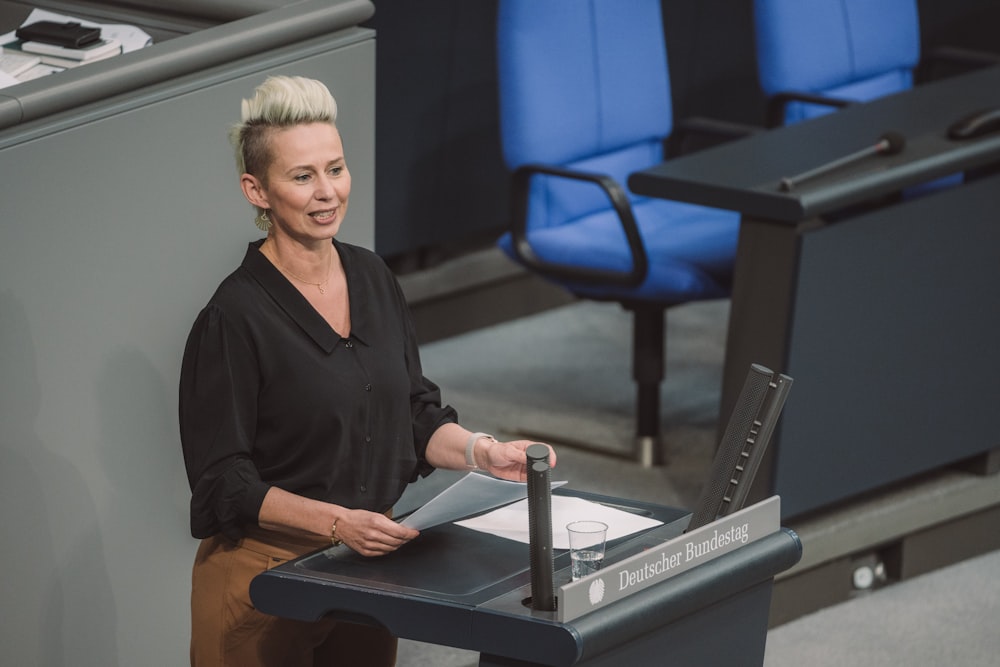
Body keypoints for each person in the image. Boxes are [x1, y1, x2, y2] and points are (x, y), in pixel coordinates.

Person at [178, 75, 556, 667]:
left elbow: (413, 414)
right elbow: (223, 481)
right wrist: (337, 523)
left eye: (336, 168)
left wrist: (485, 453)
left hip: (367, 567)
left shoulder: (374, 277)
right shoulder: (233, 316)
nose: (326, 192)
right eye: (302, 177)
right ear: (257, 190)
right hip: (266, 581)